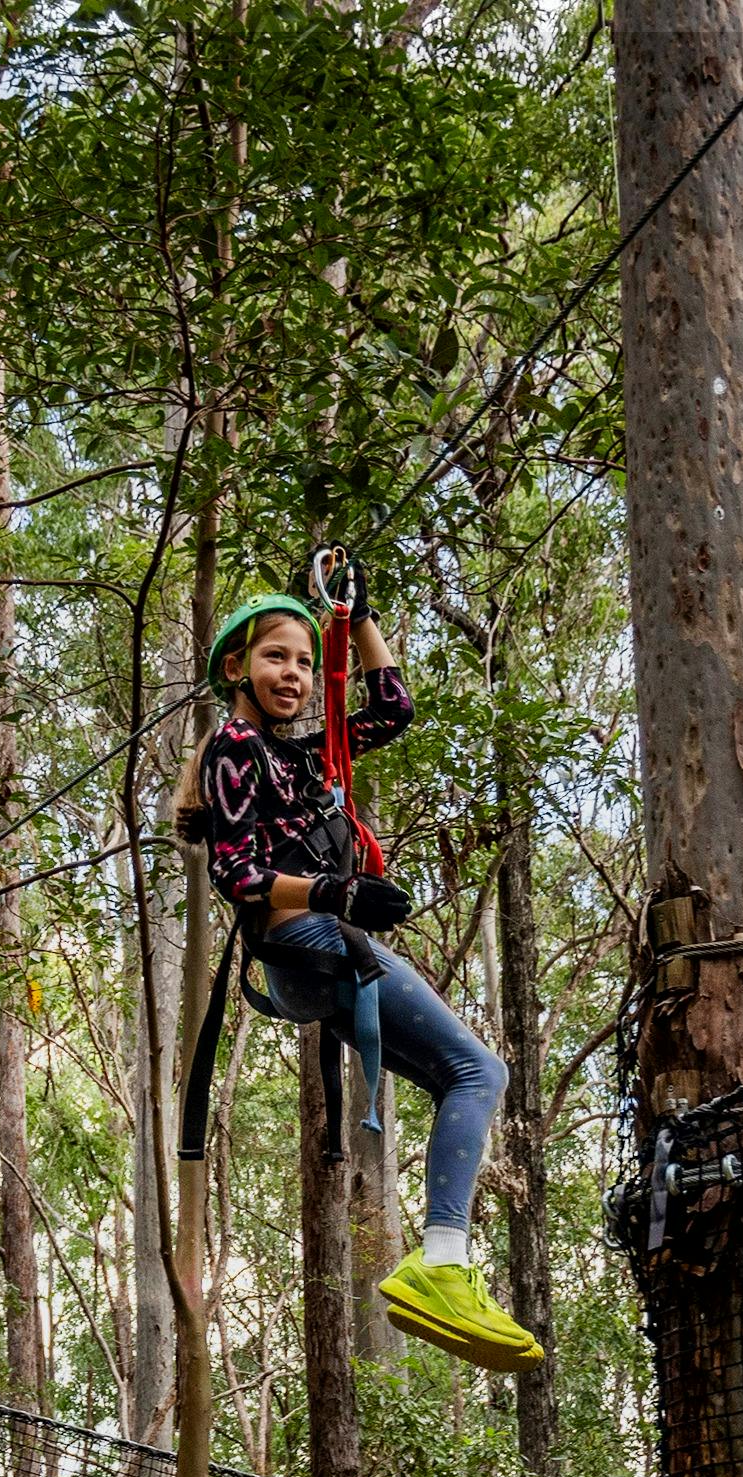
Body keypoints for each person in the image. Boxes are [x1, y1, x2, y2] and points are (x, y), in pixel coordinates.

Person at [187, 567, 543, 1373]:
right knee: (479, 1070)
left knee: (468, 1075)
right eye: (277, 658)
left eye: (307, 663)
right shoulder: (235, 746)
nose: (296, 676)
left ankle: (443, 1265)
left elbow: (391, 709)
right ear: (238, 669)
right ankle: (441, 1264)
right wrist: (336, 890)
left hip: (310, 958)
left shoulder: (301, 756)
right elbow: (235, 873)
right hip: (305, 941)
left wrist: (358, 610)